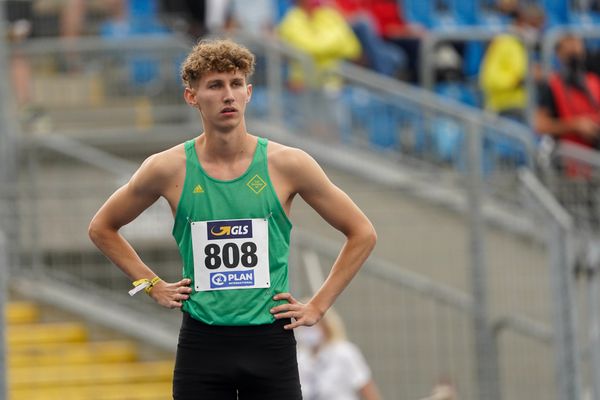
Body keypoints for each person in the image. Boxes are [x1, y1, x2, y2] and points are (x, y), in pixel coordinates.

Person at [88, 39, 377, 399]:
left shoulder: (288, 164)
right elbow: (102, 228)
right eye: (215, 85)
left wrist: (318, 305)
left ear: (249, 92)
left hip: (271, 342)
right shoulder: (167, 168)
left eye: (235, 84)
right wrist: (151, 284)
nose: (228, 95)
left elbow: (362, 232)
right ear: (191, 97)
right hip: (203, 343)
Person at [295, 308, 381, 400]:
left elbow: (366, 389)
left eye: (311, 325)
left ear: (325, 325)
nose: (307, 330)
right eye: (303, 326)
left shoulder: (344, 352)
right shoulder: (300, 358)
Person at [479, 4, 545, 122]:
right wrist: (520, 79)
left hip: (526, 105)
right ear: (521, 22)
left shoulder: (526, 47)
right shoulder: (503, 43)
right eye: (533, 26)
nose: (536, 32)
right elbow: (489, 79)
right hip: (504, 108)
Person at [534, 33, 600, 151]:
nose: (575, 47)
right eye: (569, 46)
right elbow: (541, 125)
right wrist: (575, 126)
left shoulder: (594, 80)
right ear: (559, 54)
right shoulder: (552, 85)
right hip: (570, 157)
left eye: (577, 44)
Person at [278, 0, 362, 90]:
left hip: (334, 84)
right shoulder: (292, 19)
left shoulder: (326, 15)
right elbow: (311, 48)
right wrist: (336, 44)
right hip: (304, 87)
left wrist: (321, 45)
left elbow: (353, 48)